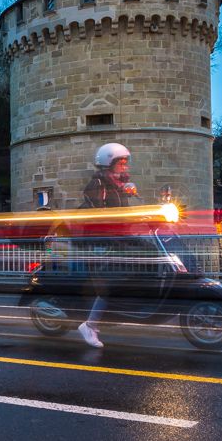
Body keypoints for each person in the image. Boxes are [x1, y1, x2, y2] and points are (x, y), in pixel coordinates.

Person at [77, 143, 137, 348]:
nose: (125, 166)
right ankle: (90, 326)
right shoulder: (98, 185)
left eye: (125, 162)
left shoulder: (119, 185)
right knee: (107, 283)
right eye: (121, 163)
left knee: (129, 275)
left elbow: (122, 213)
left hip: (117, 239)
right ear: (108, 163)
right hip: (101, 241)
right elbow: (99, 215)